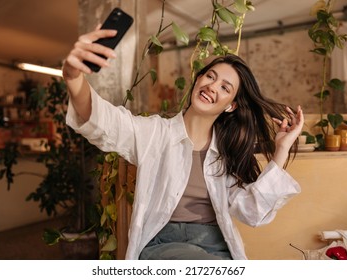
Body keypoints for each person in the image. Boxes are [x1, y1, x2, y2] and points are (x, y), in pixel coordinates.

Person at [63, 27, 304, 260]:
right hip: (163, 245)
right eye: (210, 76)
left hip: (216, 247)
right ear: (198, 79)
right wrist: (73, 76)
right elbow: (102, 120)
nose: (212, 86)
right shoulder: (155, 134)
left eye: (224, 87)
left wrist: (281, 149)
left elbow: (253, 213)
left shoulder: (226, 153)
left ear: (231, 106)